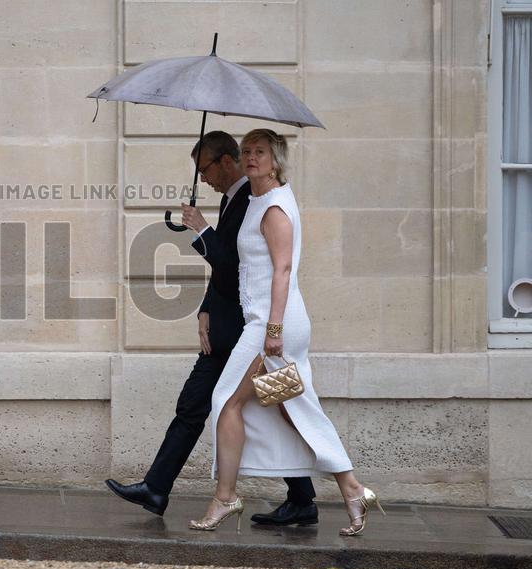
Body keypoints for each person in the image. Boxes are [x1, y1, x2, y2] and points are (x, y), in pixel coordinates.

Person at [104, 130, 317, 525]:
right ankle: (157, 487)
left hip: (247, 331)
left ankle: (323, 490)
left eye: (205, 170)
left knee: (281, 406)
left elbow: (237, 266)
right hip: (229, 327)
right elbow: (231, 270)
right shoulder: (234, 197)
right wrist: (205, 306)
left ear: (225, 162)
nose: (202, 179)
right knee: (203, 405)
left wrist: (201, 229)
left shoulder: (254, 198)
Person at [187, 129, 384, 537]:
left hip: (272, 327)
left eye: (260, 152)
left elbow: (283, 270)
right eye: (246, 151)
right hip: (266, 323)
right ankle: (353, 489)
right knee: (292, 408)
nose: (251, 157)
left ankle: (225, 496)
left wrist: (273, 330)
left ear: (276, 160)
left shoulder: (274, 206)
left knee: (226, 402)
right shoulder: (257, 200)